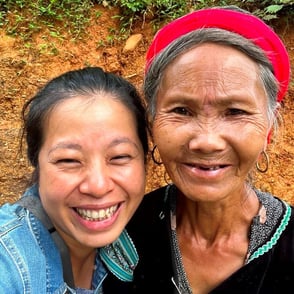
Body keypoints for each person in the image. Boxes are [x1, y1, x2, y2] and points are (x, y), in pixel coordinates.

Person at [104, 6, 293, 294]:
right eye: (181, 110)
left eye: (235, 111)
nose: (206, 141)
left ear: (269, 125)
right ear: (152, 122)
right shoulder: (127, 236)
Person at [0, 67, 148, 293]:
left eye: (119, 157)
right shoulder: (10, 263)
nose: (98, 186)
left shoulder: (139, 235)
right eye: (69, 160)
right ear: (36, 161)